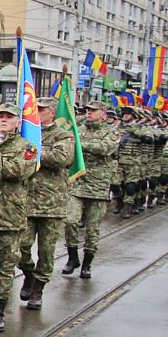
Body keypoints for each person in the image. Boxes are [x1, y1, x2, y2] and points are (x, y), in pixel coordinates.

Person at [19, 96, 75, 311]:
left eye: (41, 110)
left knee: (46, 250)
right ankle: (28, 273)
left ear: (52, 113)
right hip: (25, 200)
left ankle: (38, 288)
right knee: (21, 247)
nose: (37, 113)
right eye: (35, 109)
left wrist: (34, 152)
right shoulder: (24, 133)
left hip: (52, 203)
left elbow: (61, 159)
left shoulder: (63, 135)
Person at [0, 105, 38, 333]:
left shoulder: (27, 147)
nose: (4, 121)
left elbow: (17, 171)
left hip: (9, 217)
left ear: (19, 122)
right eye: (1, 117)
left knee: (6, 269)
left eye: (9, 118)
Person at [66, 97, 118, 279]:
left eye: (93, 110)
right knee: (70, 220)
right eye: (87, 110)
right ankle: (72, 257)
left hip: (98, 185)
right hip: (77, 182)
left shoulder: (111, 133)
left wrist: (80, 145)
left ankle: (87, 263)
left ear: (103, 115)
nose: (89, 113)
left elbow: (104, 148)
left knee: (92, 228)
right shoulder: (78, 130)